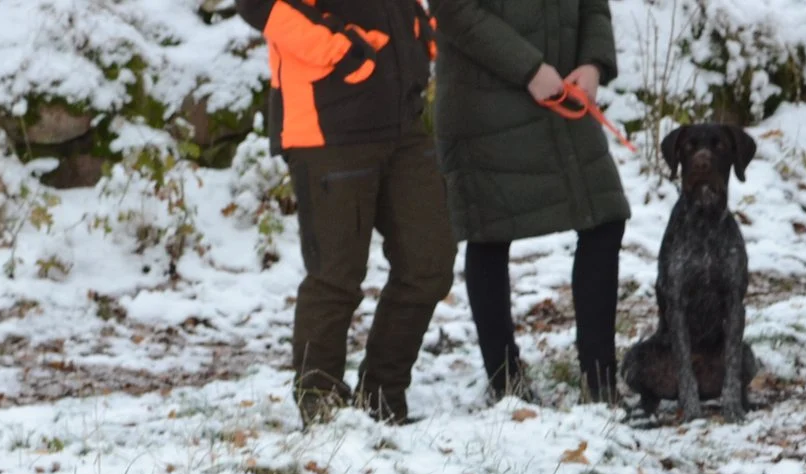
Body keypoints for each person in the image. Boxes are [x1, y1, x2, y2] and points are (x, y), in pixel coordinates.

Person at [236, 0, 455, 427]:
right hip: (327, 127)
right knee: (336, 275)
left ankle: (382, 399)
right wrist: (338, 49)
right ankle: (322, 406)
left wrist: (419, 30)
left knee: (429, 263)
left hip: (402, 121)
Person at [432, 0, 630, 404]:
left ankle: (600, 383)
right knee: (489, 231)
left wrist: (593, 63)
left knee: (604, 217)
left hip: (563, 92)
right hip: (485, 101)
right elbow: (454, 10)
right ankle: (506, 384)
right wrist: (529, 69)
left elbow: (593, 5)